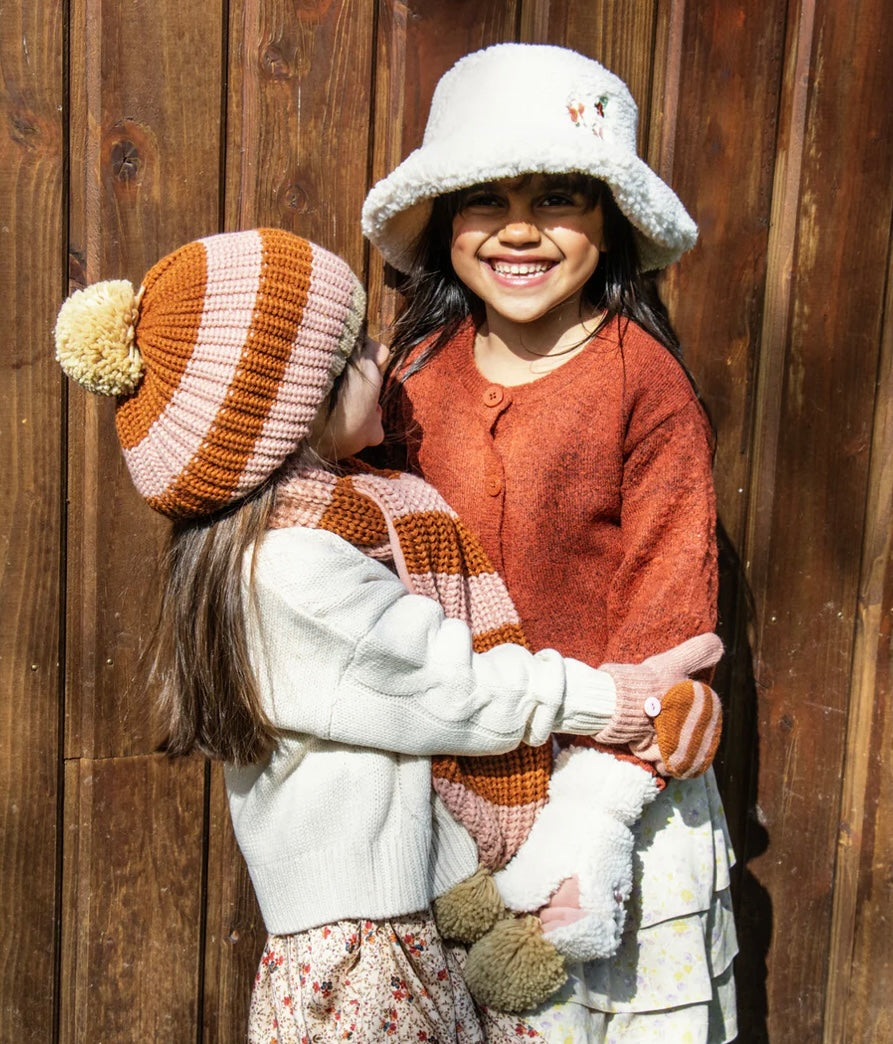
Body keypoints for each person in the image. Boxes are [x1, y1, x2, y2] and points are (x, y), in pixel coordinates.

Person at [54, 227, 723, 1043]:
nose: (383, 354)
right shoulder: (291, 572)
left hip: (402, 919)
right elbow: (447, 684)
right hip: (366, 950)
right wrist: (607, 698)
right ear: (302, 408)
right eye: (357, 348)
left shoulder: (324, 529)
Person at [362, 42, 738, 1042]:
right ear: (442, 218)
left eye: (560, 198)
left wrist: (603, 796)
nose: (520, 230)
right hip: (439, 803)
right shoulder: (409, 375)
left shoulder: (641, 384)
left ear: (608, 220)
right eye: (486, 199)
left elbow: (667, 605)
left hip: (597, 800)